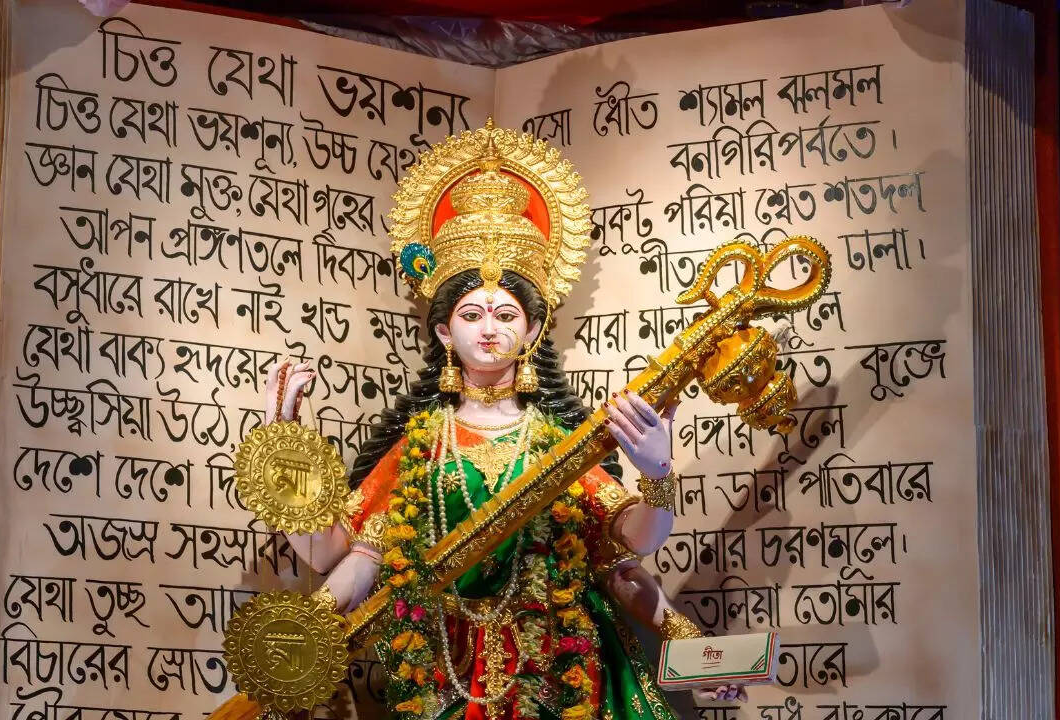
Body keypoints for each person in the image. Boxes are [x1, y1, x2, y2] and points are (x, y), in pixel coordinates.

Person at [264, 121, 743, 720]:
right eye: (471, 315)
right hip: (445, 676)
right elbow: (344, 558)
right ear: (445, 333)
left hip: (558, 672)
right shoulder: (423, 445)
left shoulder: (561, 444)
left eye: (506, 314)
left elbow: (625, 557)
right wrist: (285, 459)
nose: (489, 328)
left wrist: (658, 474)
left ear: (533, 330)